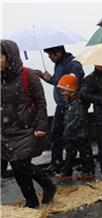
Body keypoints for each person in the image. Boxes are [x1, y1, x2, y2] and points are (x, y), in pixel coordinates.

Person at [1, 39, 56, 208]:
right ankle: (31, 200)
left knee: (20, 163)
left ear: (10, 56)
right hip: (7, 129)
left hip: (28, 129)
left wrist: (41, 126)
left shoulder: (28, 74)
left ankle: (48, 185)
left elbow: (41, 102)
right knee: (16, 167)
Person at [35, 45, 84, 174]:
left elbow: (76, 84)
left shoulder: (73, 65)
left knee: (72, 137)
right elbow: (61, 83)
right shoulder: (59, 64)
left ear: (59, 52)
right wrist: (49, 79)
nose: (50, 58)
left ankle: (71, 165)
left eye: (51, 55)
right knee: (57, 134)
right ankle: (57, 162)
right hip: (61, 105)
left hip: (70, 106)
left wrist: (73, 101)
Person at [56, 74, 95, 180]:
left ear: (71, 90)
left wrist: (68, 129)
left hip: (79, 134)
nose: (62, 93)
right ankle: (67, 170)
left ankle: (88, 170)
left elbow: (78, 118)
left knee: (84, 153)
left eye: (64, 90)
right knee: (71, 153)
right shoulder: (71, 101)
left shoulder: (77, 102)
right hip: (74, 134)